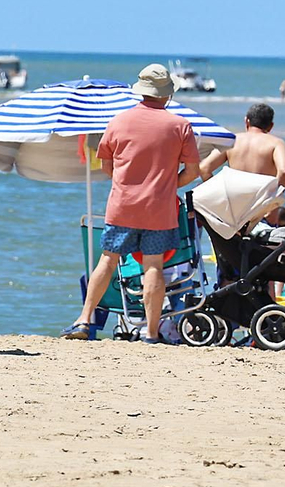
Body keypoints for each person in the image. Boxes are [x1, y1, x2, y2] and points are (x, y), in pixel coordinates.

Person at [63, 64, 201, 343]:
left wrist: (128, 185)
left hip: (123, 207)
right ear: (166, 94)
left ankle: (84, 319)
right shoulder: (179, 125)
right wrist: (164, 186)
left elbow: (106, 164)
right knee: (153, 266)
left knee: (107, 261)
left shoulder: (119, 121)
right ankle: (151, 333)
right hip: (159, 210)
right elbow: (193, 171)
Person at [200, 103, 285, 189]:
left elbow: (204, 168)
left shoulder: (232, 141)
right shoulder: (276, 143)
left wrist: (219, 191)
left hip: (234, 200)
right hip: (262, 201)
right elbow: (284, 171)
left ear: (246, 121)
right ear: (271, 126)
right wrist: (274, 194)